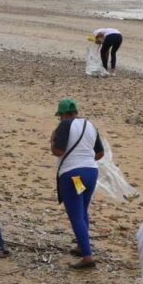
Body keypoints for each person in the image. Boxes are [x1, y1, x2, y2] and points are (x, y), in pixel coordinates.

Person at [50, 98, 104, 270]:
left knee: (76, 215)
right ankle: (82, 246)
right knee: (82, 211)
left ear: (64, 115)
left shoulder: (65, 125)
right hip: (91, 172)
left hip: (73, 174)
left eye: (60, 116)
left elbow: (57, 151)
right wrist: (85, 160)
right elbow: (100, 153)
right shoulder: (90, 125)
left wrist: (53, 139)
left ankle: (87, 257)